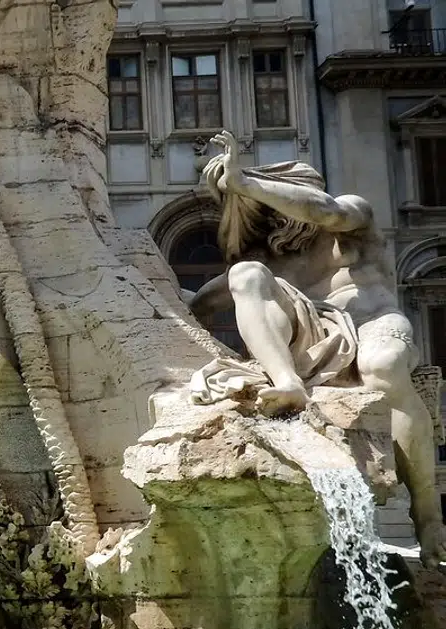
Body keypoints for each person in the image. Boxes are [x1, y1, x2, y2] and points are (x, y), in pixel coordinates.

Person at [187, 129, 446, 564]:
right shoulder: (268, 263)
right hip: (314, 338)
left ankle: (428, 513)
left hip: (371, 324)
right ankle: (288, 382)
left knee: (382, 364)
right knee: (245, 275)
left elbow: (323, 210)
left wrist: (245, 181)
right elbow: (203, 302)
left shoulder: (351, 217)